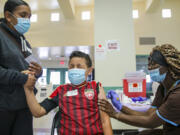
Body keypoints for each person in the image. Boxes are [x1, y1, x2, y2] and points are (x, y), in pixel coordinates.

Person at [24, 51, 113, 135]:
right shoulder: (61, 90)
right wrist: (28, 89)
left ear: (89, 71)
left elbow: (105, 121)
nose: (74, 69)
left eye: (79, 66)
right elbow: (38, 112)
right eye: (71, 66)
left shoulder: (96, 87)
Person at [98, 44, 180, 135]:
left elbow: (150, 122)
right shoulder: (163, 88)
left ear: (169, 66)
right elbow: (148, 114)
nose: (149, 68)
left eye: (154, 64)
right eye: (149, 64)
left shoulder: (177, 95)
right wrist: (121, 107)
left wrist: (114, 114)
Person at [0, 1, 42, 135]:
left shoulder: (24, 42)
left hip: (24, 104)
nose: (27, 20)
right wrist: (21, 77)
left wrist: (38, 72)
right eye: (23, 15)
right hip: (4, 106)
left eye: (29, 17)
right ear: (8, 16)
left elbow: (32, 66)